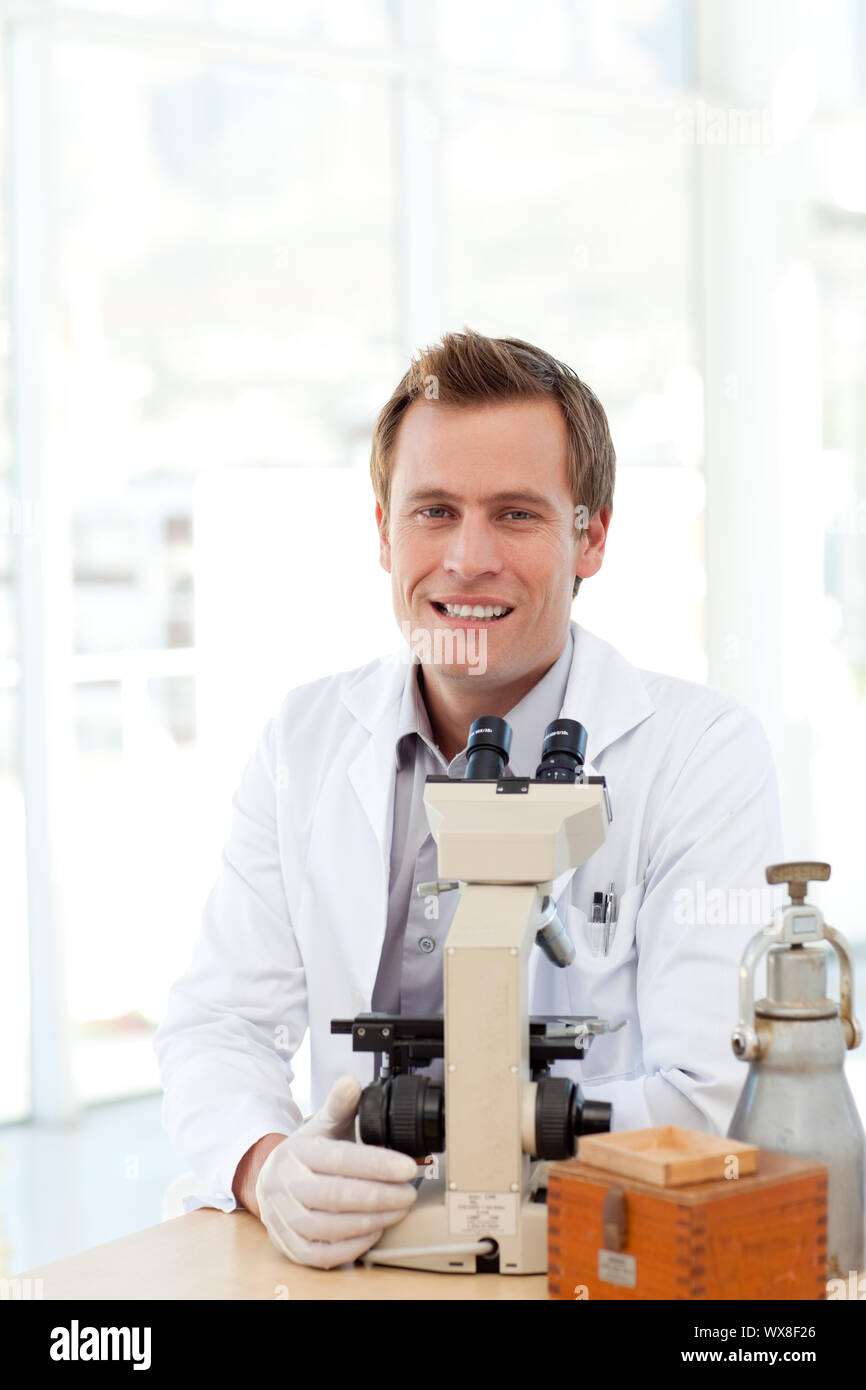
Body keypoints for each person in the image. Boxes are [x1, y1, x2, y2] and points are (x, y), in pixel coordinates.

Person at [154, 329, 783, 1269]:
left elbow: (708, 1094)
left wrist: (483, 1155)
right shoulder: (306, 738)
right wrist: (266, 1164)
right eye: (435, 511)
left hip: (589, 1257)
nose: (467, 557)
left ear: (592, 537)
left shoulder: (699, 752)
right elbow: (221, 1025)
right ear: (383, 533)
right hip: (353, 1262)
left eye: (518, 515)